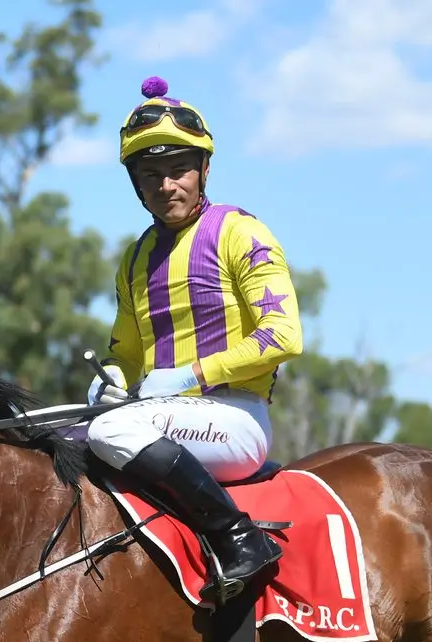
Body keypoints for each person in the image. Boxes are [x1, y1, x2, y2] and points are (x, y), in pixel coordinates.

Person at [86, 75, 304, 602]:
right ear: (136, 184)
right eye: (151, 174)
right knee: (66, 438)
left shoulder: (239, 231)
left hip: (234, 419)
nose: (167, 186)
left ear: (204, 169)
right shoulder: (135, 257)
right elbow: (126, 351)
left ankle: (239, 539)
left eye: (178, 170)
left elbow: (284, 335)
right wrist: (112, 378)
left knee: (109, 432)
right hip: (163, 421)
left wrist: (193, 374)